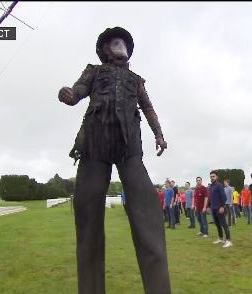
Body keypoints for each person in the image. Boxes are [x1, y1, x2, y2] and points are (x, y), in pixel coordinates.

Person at [58, 26, 170, 294]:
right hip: (94, 147)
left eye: (122, 41)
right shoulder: (94, 71)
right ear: (105, 50)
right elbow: (79, 90)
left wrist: (159, 134)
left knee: (148, 214)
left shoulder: (136, 79)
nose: (119, 44)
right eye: (113, 42)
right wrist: (70, 95)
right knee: (88, 220)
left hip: (129, 149)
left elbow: (148, 108)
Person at [208, 171, 232, 248]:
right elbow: (210, 197)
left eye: (213, 176)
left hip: (220, 208)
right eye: (211, 176)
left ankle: (228, 241)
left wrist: (222, 206)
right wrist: (208, 206)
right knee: (217, 225)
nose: (212, 178)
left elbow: (224, 197)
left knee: (224, 225)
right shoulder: (211, 186)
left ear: (216, 177)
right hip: (213, 208)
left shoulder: (219, 185)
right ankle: (221, 238)